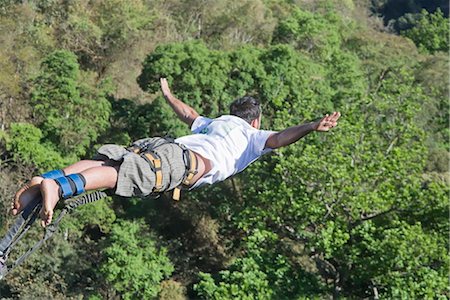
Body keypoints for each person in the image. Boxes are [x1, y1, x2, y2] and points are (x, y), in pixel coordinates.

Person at [11, 78, 341, 227]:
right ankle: (58, 187)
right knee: (119, 176)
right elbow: (282, 138)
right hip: (182, 164)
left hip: (167, 145)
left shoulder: (217, 122)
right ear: (256, 119)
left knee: (108, 161)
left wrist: (168, 94)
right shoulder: (255, 134)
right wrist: (311, 125)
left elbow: (187, 113)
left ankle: (50, 178)